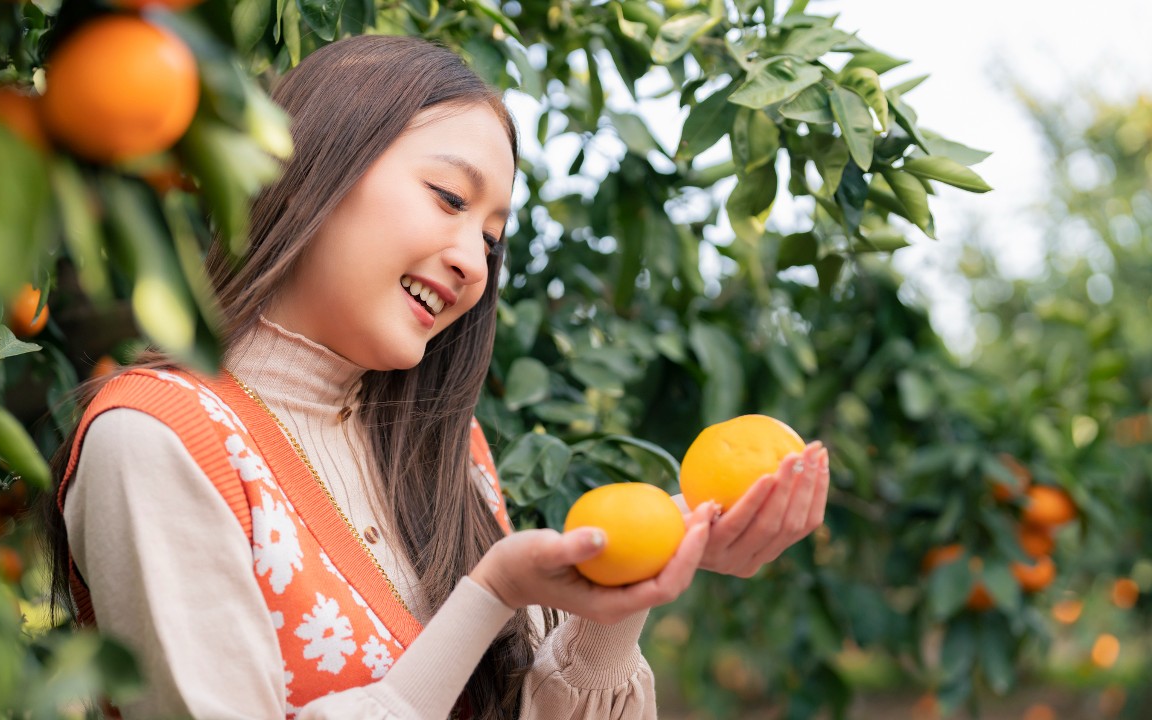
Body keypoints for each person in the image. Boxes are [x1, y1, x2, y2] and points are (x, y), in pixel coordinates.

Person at [40, 34, 830, 720]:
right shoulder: (158, 440)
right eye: (448, 198)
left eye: (491, 238)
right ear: (313, 167)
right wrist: (487, 596)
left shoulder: (441, 447)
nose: (471, 261)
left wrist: (633, 584)